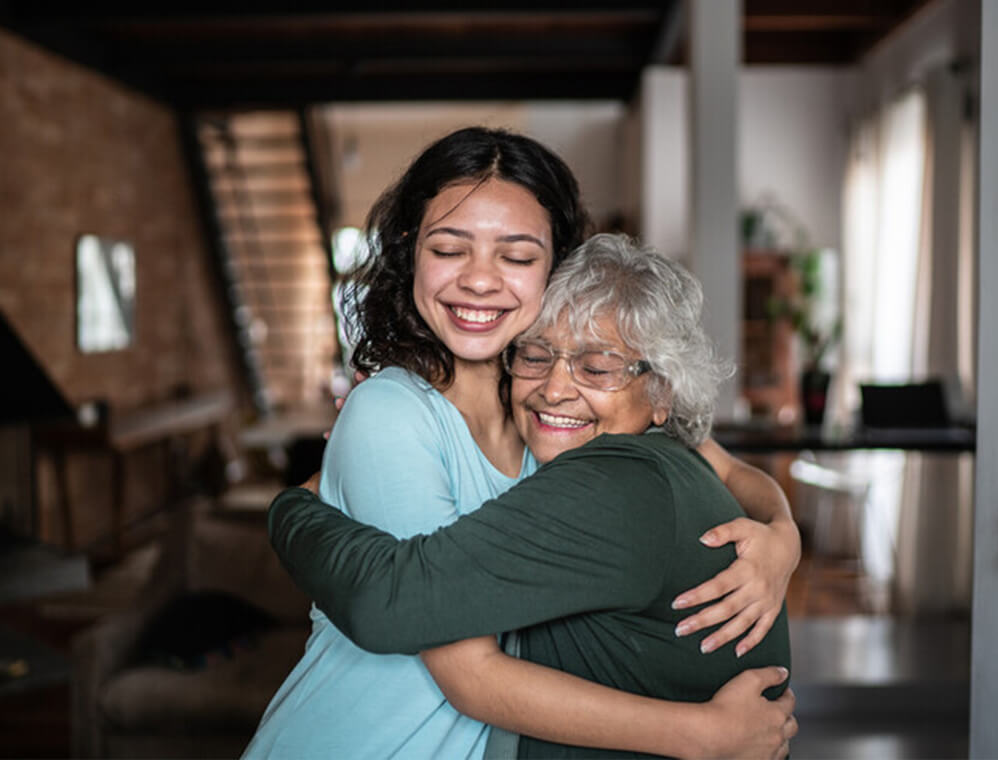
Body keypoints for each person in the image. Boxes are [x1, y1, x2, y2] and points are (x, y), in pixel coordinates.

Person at [242, 127, 799, 759]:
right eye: (450, 248)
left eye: (516, 255)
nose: (480, 281)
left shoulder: (553, 425)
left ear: (555, 266)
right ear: (411, 253)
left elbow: (720, 464)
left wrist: (783, 534)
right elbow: (465, 671)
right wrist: (699, 734)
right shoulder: (393, 413)